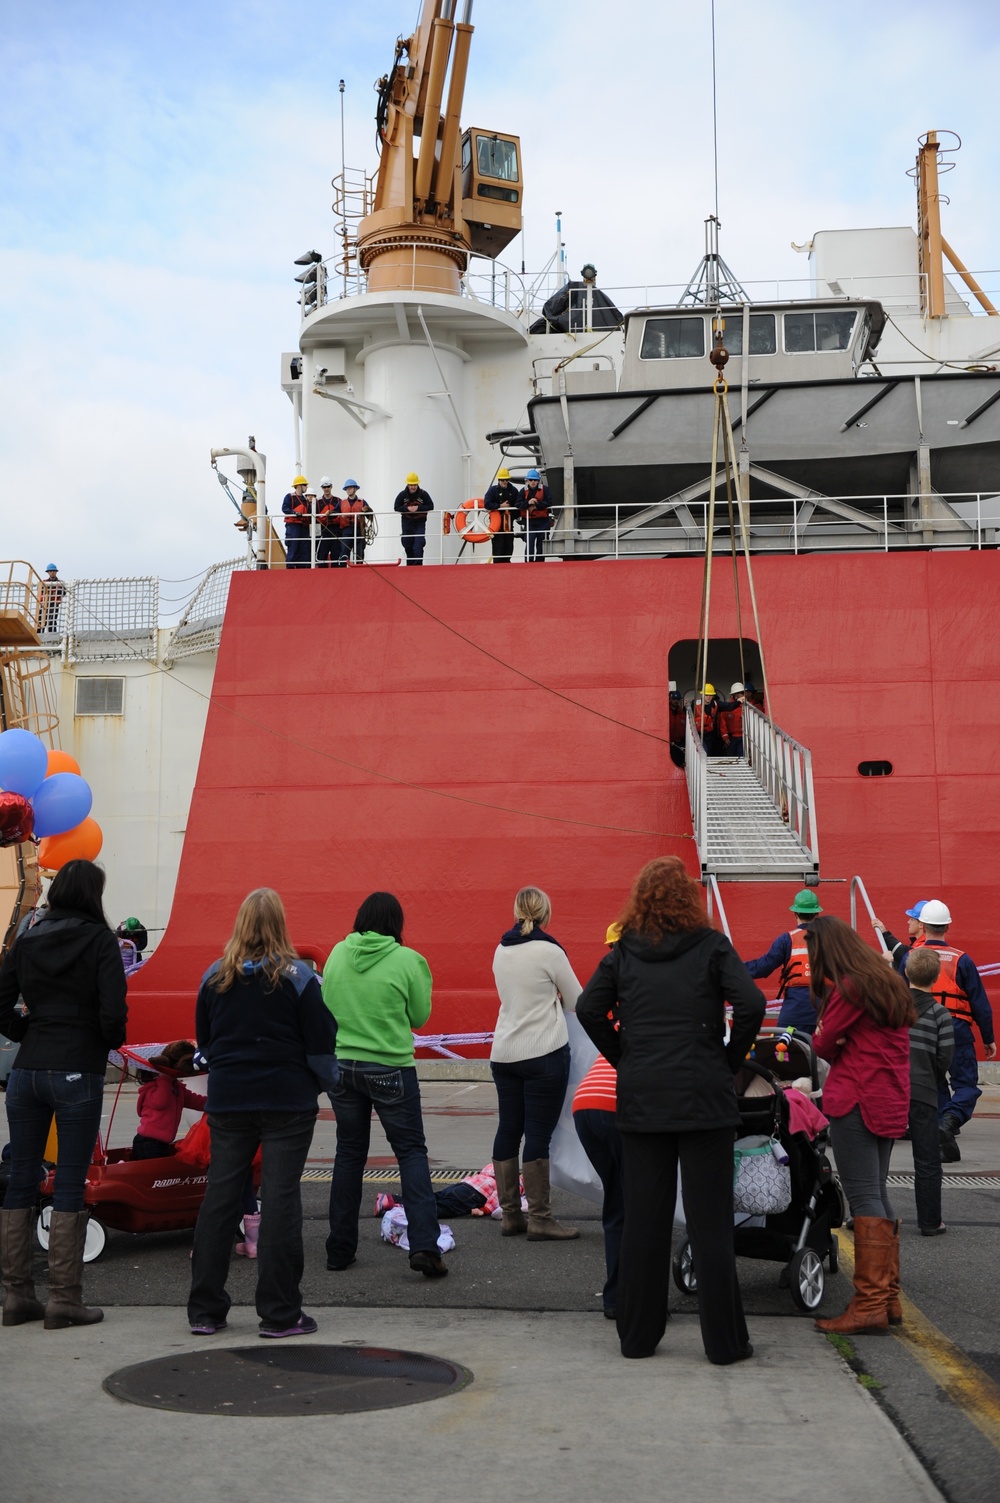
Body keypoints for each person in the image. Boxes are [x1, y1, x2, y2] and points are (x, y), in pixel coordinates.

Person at [576, 856, 765, 1364]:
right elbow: (750, 1003)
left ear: (639, 898)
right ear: (687, 897)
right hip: (704, 1099)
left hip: (643, 1101)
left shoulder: (623, 954)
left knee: (644, 1222)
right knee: (710, 1226)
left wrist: (625, 1057)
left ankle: (638, 1339)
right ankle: (725, 1344)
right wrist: (725, 1061)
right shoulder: (710, 947)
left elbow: (588, 1008)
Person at [187, 888, 338, 1338]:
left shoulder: (214, 977)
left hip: (230, 1100)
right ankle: (279, 1312)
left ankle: (205, 1310)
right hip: (286, 1101)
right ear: (280, 925)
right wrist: (323, 1084)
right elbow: (321, 1043)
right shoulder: (300, 978)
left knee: (219, 1198)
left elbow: (206, 1044)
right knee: (280, 1199)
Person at [0, 859, 127, 1329]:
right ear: (93, 894)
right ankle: (64, 1299)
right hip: (77, 1068)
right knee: (70, 1181)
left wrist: (26, 1028)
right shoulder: (100, 941)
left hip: (27, 1069)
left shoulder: (28, 938)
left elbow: (0, 1002)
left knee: (21, 1180)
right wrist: (103, 1039)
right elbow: (114, 1017)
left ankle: (16, 1297)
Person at [321, 892, 446, 1278]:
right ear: (396, 924)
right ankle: (424, 1246)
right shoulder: (409, 960)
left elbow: (325, 1005)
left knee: (349, 1154)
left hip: (343, 1068)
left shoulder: (337, 955)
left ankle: (339, 1250)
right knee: (410, 1153)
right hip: (390, 1067)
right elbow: (420, 1018)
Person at [807, 915, 914, 1334]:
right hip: (889, 1098)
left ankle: (869, 1305)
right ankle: (888, 1299)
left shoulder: (849, 987)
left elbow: (821, 1042)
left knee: (865, 1196)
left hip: (856, 1098)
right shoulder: (887, 980)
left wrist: (838, 1040)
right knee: (879, 1194)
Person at [490, 886, 583, 1240]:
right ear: (545, 913)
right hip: (544, 1053)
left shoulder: (500, 950)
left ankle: (511, 1215)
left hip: (504, 1054)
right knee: (538, 1136)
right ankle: (541, 1219)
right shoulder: (550, 950)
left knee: (507, 1130)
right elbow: (576, 1000)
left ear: (516, 911)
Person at [904, 899, 996, 1162]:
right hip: (956, 1027)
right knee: (966, 1085)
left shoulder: (911, 957)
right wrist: (988, 1038)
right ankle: (950, 1121)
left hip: (919, 1028)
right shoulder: (962, 959)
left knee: (934, 1083)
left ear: (923, 925)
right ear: (947, 927)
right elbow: (979, 1003)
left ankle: (943, 1134)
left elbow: (897, 994)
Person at [904, 948, 954, 1237]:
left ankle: (870, 1215)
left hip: (889, 1091)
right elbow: (944, 1056)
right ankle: (930, 1221)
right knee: (926, 1158)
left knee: (877, 1156)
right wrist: (929, 1079)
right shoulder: (940, 1013)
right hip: (922, 1091)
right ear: (936, 978)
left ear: (907, 973)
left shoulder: (890, 1007)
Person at [572, 1051, 621, 1319]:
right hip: (617, 1106)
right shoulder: (671, 1024)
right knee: (640, 1205)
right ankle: (635, 1297)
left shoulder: (625, 1023)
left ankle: (614, 1297)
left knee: (617, 1204)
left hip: (585, 1105)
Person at [744, 889, 824, 1035]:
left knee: (785, 1052)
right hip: (824, 1011)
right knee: (825, 1056)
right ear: (817, 914)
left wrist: (734, 969)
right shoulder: (832, 939)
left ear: (795, 913)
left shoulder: (786, 940)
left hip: (795, 1011)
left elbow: (763, 967)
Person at [132, 1040, 206, 1160]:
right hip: (148, 1141)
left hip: (161, 1142)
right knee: (154, 1175)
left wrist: (216, 1102)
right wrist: (165, 1078)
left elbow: (198, 1101)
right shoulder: (152, 1090)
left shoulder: (177, 1090)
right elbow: (162, 1101)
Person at [872, 900, 928, 969]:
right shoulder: (922, 945)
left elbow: (902, 953)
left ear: (921, 924)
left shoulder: (923, 948)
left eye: (911, 919)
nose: (908, 922)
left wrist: (884, 932)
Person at [393, 473, 433, 564]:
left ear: (417, 484)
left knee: (418, 546)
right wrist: (407, 509)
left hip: (419, 524)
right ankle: (410, 569)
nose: (413, 487)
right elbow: (396, 507)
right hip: (406, 524)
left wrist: (418, 508)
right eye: (411, 485)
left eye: (414, 485)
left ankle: (418, 569)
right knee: (408, 546)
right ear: (408, 484)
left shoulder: (423, 494)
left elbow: (431, 506)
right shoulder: (402, 495)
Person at [484, 469, 521, 563]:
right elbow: (487, 504)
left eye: (506, 480)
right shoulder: (493, 490)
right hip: (496, 526)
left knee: (509, 545)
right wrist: (500, 506)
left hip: (508, 523)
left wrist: (514, 515)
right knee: (498, 546)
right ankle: (497, 565)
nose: (504, 482)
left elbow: (518, 505)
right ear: (499, 480)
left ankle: (507, 563)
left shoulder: (514, 490)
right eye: (502, 480)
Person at [519, 469, 552, 562]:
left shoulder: (545, 489)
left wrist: (536, 505)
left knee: (541, 544)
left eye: (535, 480)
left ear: (538, 480)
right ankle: (528, 562)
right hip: (530, 523)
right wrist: (528, 503)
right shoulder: (522, 491)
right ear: (527, 481)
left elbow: (549, 502)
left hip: (543, 522)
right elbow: (518, 504)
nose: (533, 482)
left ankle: (540, 563)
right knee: (529, 543)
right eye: (531, 480)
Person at [338, 479, 373, 565]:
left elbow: (370, 515)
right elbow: (335, 512)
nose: (348, 490)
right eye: (347, 488)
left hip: (359, 530)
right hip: (346, 530)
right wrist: (330, 512)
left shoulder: (362, 502)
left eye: (350, 488)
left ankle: (359, 571)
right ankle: (343, 571)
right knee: (344, 553)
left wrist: (367, 510)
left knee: (359, 553)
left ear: (355, 489)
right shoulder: (341, 503)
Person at [282, 475, 312, 569]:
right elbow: (285, 508)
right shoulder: (289, 497)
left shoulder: (306, 501)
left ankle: (303, 568)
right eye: (305, 485)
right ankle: (290, 567)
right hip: (293, 527)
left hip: (303, 527)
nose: (306, 487)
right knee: (293, 546)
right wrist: (294, 513)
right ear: (299, 486)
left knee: (304, 548)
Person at [315, 477, 343, 567]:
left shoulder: (338, 501)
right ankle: (322, 575)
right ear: (322, 488)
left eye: (328, 486)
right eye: (324, 487)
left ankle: (336, 575)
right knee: (322, 555)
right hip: (323, 531)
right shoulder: (317, 502)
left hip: (336, 530)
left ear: (331, 487)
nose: (326, 489)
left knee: (336, 554)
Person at [719, 683, 747, 756]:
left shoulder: (747, 706)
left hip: (744, 737)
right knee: (731, 757)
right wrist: (725, 736)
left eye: (742, 693)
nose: (741, 695)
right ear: (734, 695)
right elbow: (723, 723)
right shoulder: (727, 707)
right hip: (731, 738)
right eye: (739, 693)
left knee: (742, 757)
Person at [692, 684, 720, 755]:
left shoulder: (715, 705)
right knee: (703, 751)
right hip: (697, 734)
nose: (708, 697)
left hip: (709, 735)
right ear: (702, 695)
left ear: (713, 696)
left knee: (709, 751)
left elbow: (728, 706)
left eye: (710, 695)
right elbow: (686, 711)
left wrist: (738, 701)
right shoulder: (694, 703)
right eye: (706, 695)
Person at [39, 564, 66, 634]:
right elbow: (41, 590)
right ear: (48, 572)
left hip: (54, 604)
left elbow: (64, 592)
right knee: (41, 621)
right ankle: (39, 636)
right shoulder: (44, 582)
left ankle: (52, 636)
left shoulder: (60, 583)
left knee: (52, 621)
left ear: (56, 572)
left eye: (53, 571)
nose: (52, 572)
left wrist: (59, 591)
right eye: (50, 571)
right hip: (44, 604)